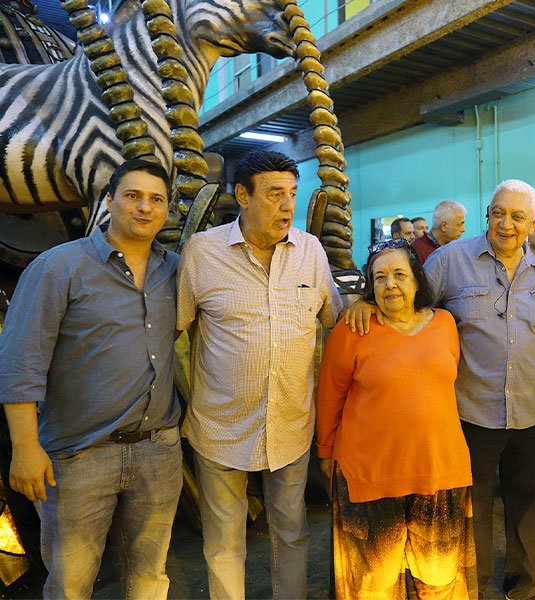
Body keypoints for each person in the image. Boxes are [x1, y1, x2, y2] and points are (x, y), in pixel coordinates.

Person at [347, 179, 535, 599]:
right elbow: (407, 302)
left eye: (517, 216)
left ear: (534, 223)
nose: (506, 224)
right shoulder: (449, 260)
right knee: (471, 508)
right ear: (487, 214)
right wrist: (368, 301)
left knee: (527, 504)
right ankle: (474, 585)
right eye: (498, 213)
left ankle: (524, 585)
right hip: (471, 414)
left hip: (533, 412)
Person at [0, 159, 183, 599]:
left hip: (158, 450)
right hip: (78, 457)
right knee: (70, 585)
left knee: (150, 578)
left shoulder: (176, 270)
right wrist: (25, 447)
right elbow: (21, 361)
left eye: (156, 199)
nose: (145, 207)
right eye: (133, 196)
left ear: (166, 209)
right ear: (109, 201)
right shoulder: (58, 267)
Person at [177, 149, 342, 599]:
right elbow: (174, 329)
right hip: (221, 426)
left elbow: (334, 321)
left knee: (292, 533)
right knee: (224, 542)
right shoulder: (202, 253)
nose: (287, 206)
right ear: (242, 196)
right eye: (274, 194)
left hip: (289, 423)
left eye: (292, 193)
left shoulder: (310, 251)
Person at [316, 239, 476, 599]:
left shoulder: (445, 324)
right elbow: (329, 396)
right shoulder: (353, 330)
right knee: (371, 585)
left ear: (417, 281)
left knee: (439, 582)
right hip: (368, 474)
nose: (390, 284)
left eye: (400, 275)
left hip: (439, 470)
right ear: (370, 287)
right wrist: (325, 453)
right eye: (380, 277)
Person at [411, 199, 467, 263]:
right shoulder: (416, 251)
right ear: (444, 226)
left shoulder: (454, 248)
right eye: (460, 224)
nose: (463, 229)